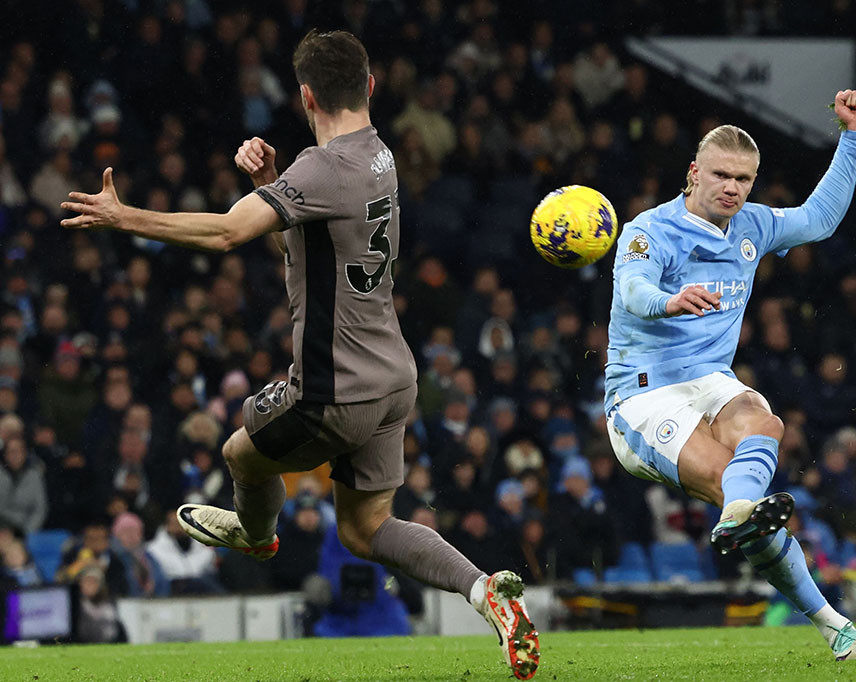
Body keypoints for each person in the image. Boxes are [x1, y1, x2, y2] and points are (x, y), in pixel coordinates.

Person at [60, 30, 538, 680]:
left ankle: (255, 537)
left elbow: (228, 231)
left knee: (237, 454)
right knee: (367, 530)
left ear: (306, 94)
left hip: (333, 388)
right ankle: (488, 594)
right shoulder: (380, 158)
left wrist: (125, 218)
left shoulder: (322, 169)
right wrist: (273, 186)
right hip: (393, 376)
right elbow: (316, 248)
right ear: (369, 86)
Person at [604, 90, 856, 661]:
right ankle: (824, 615)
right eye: (722, 175)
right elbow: (631, 292)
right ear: (693, 173)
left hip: (711, 379)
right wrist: (669, 301)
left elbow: (819, 219)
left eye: (745, 179)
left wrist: (854, 137)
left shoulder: (751, 224)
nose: (733, 187)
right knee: (734, 479)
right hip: (643, 399)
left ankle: (742, 523)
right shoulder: (648, 231)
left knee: (763, 424)